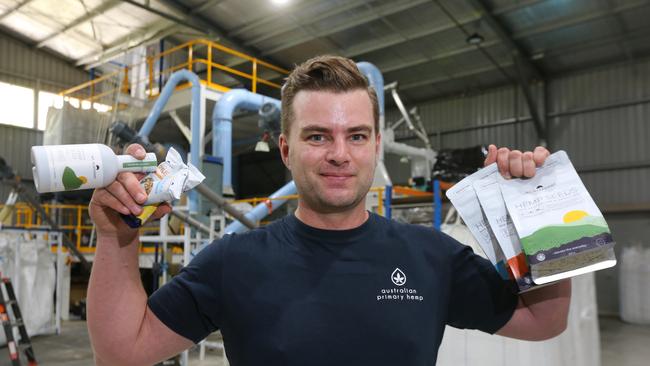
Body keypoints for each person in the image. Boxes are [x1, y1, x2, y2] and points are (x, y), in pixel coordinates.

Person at [87, 56, 570, 366]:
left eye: (356, 136)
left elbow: (544, 321)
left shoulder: (433, 258)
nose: (340, 154)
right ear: (285, 149)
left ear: (376, 146)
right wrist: (116, 236)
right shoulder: (232, 262)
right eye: (318, 136)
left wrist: (539, 214)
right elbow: (120, 350)